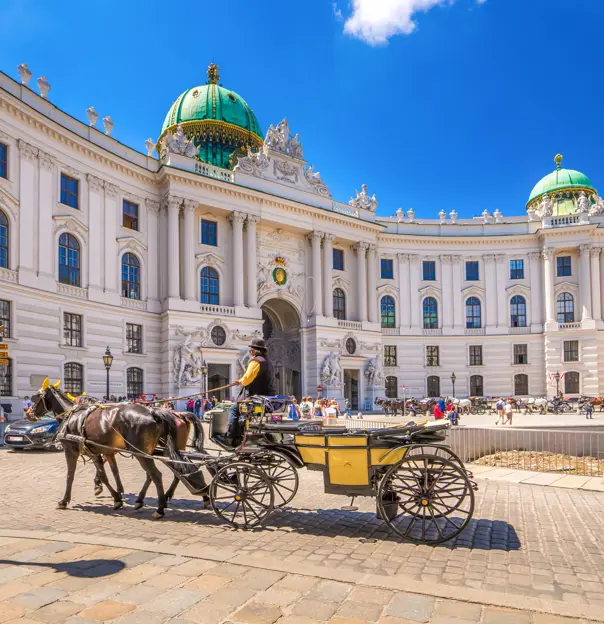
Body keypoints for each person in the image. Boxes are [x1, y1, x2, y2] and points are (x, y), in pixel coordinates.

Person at [218, 338, 276, 445]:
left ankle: (230, 437)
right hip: (268, 396)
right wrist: (241, 381)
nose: (251, 353)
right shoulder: (269, 362)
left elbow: (247, 379)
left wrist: (240, 381)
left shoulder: (256, 361)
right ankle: (242, 433)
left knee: (234, 409)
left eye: (252, 350)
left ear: (257, 351)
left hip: (257, 396)